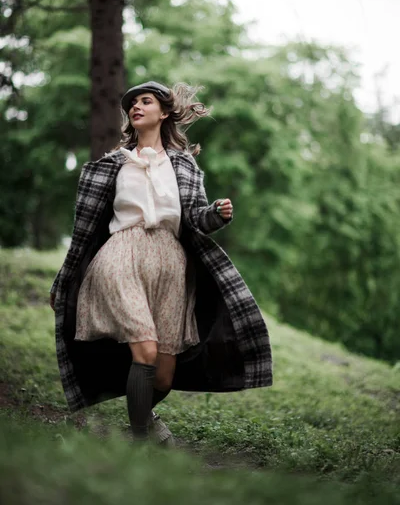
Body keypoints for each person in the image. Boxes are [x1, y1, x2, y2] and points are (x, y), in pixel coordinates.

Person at [49, 80, 273, 446]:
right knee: (146, 351)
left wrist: (216, 214)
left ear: (164, 112)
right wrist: (63, 280)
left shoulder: (184, 165)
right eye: (132, 103)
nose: (136, 106)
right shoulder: (112, 165)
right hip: (122, 254)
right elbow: (83, 231)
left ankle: (143, 420)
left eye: (145, 101)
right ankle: (139, 445)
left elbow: (197, 218)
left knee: (164, 374)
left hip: (171, 265)